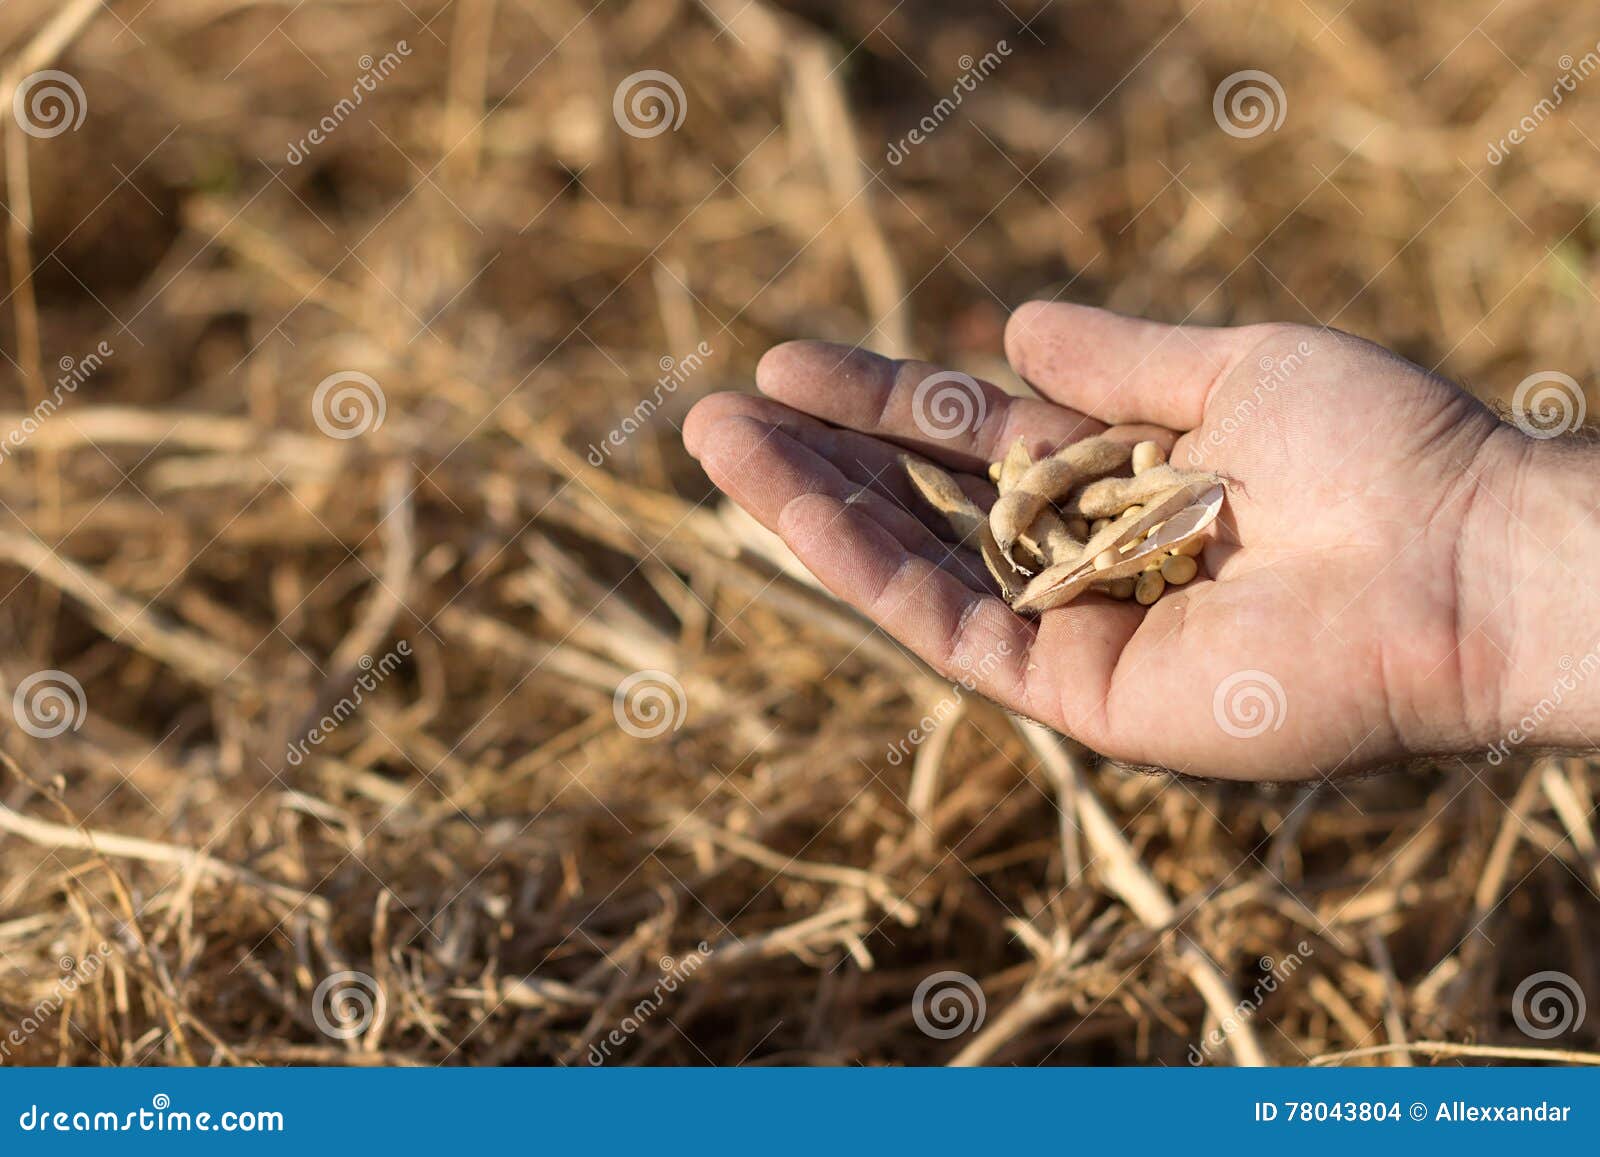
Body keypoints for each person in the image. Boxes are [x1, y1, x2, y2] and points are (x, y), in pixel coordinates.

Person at [683, 303, 1599, 781]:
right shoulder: (1069, 517)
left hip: (1123, 521)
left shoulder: (1143, 501)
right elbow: (1048, 506)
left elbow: (1122, 493)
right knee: (1003, 513)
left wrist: (1485, 528)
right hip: (1088, 534)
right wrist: (1495, 543)